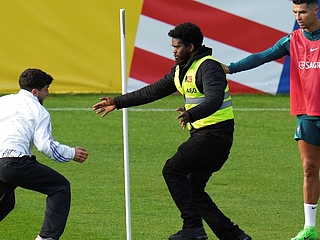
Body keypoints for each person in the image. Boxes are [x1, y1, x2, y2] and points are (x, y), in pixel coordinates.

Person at [93, 22, 251, 240]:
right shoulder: (180, 70)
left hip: (215, 137)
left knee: (172, 169)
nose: (174, 51)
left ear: (191, 47)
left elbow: (214, 99)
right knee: (192, 189)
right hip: (206, 137)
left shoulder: (209, 67)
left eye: (177, 47)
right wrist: (118, 102)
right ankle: (233, 235)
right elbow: (153, 91)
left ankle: (193, 228)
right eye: (173, 47)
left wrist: (192, 114)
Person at [223, 0, 320, 239]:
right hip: (307, 114)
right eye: (295, 12)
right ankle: (310, 229)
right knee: (309, 169)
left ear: (316, 10)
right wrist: (231, 68)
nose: (299, 16)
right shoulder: (292, 40)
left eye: (303, 11)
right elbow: (262, 56)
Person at [0, 68, 89, 240]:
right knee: (60, 187)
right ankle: (46, 238)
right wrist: (72, 153)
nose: (47, 94)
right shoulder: (39, 111)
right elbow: (46, 146)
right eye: (46, 89)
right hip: (15, 162)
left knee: (5, 200)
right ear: (35, 91)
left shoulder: (3, 101)